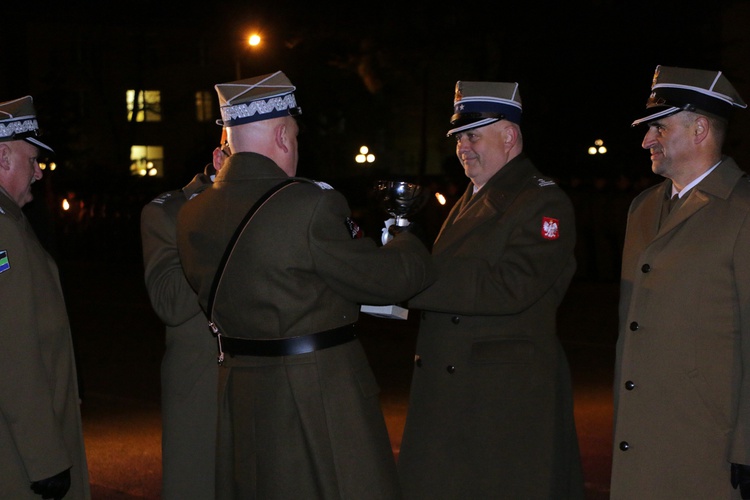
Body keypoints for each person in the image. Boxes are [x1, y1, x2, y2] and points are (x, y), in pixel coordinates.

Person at [175, 70, 436, 499]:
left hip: (240, 388)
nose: (295, 146)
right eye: (294, 136)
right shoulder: (308, 204)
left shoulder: (192, 214)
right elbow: (385, 281)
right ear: (281, 136)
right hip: (316, 390)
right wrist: (408, 236)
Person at [397, 81, 584, 499]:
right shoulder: (476, 195)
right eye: (460, 138)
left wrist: (410, 280)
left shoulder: (542, 201)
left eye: (473, 135)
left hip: (501, 402)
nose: (463, 147)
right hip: (466, 393)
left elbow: (510, 286)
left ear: (509, 135)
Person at [611, 65, 750, 499]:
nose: (646, 140)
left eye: (659, 127)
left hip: (705, 445)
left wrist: (747, 449)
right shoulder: (643, 209)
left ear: (700, 129)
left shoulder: (743, 211)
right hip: (642, 434)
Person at [0, 95, 91, 499]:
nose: (39, 173)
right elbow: (12, 352)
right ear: (3, 157)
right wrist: (46, 458)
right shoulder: (3, 231)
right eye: (32, 160)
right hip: (19, 456)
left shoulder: (11, 223)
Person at [140, 130, 228, 499]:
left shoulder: (287, 204)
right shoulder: (168, 212)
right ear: (221, 159)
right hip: (205, 395)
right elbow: (170, 303)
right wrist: (223, 228)